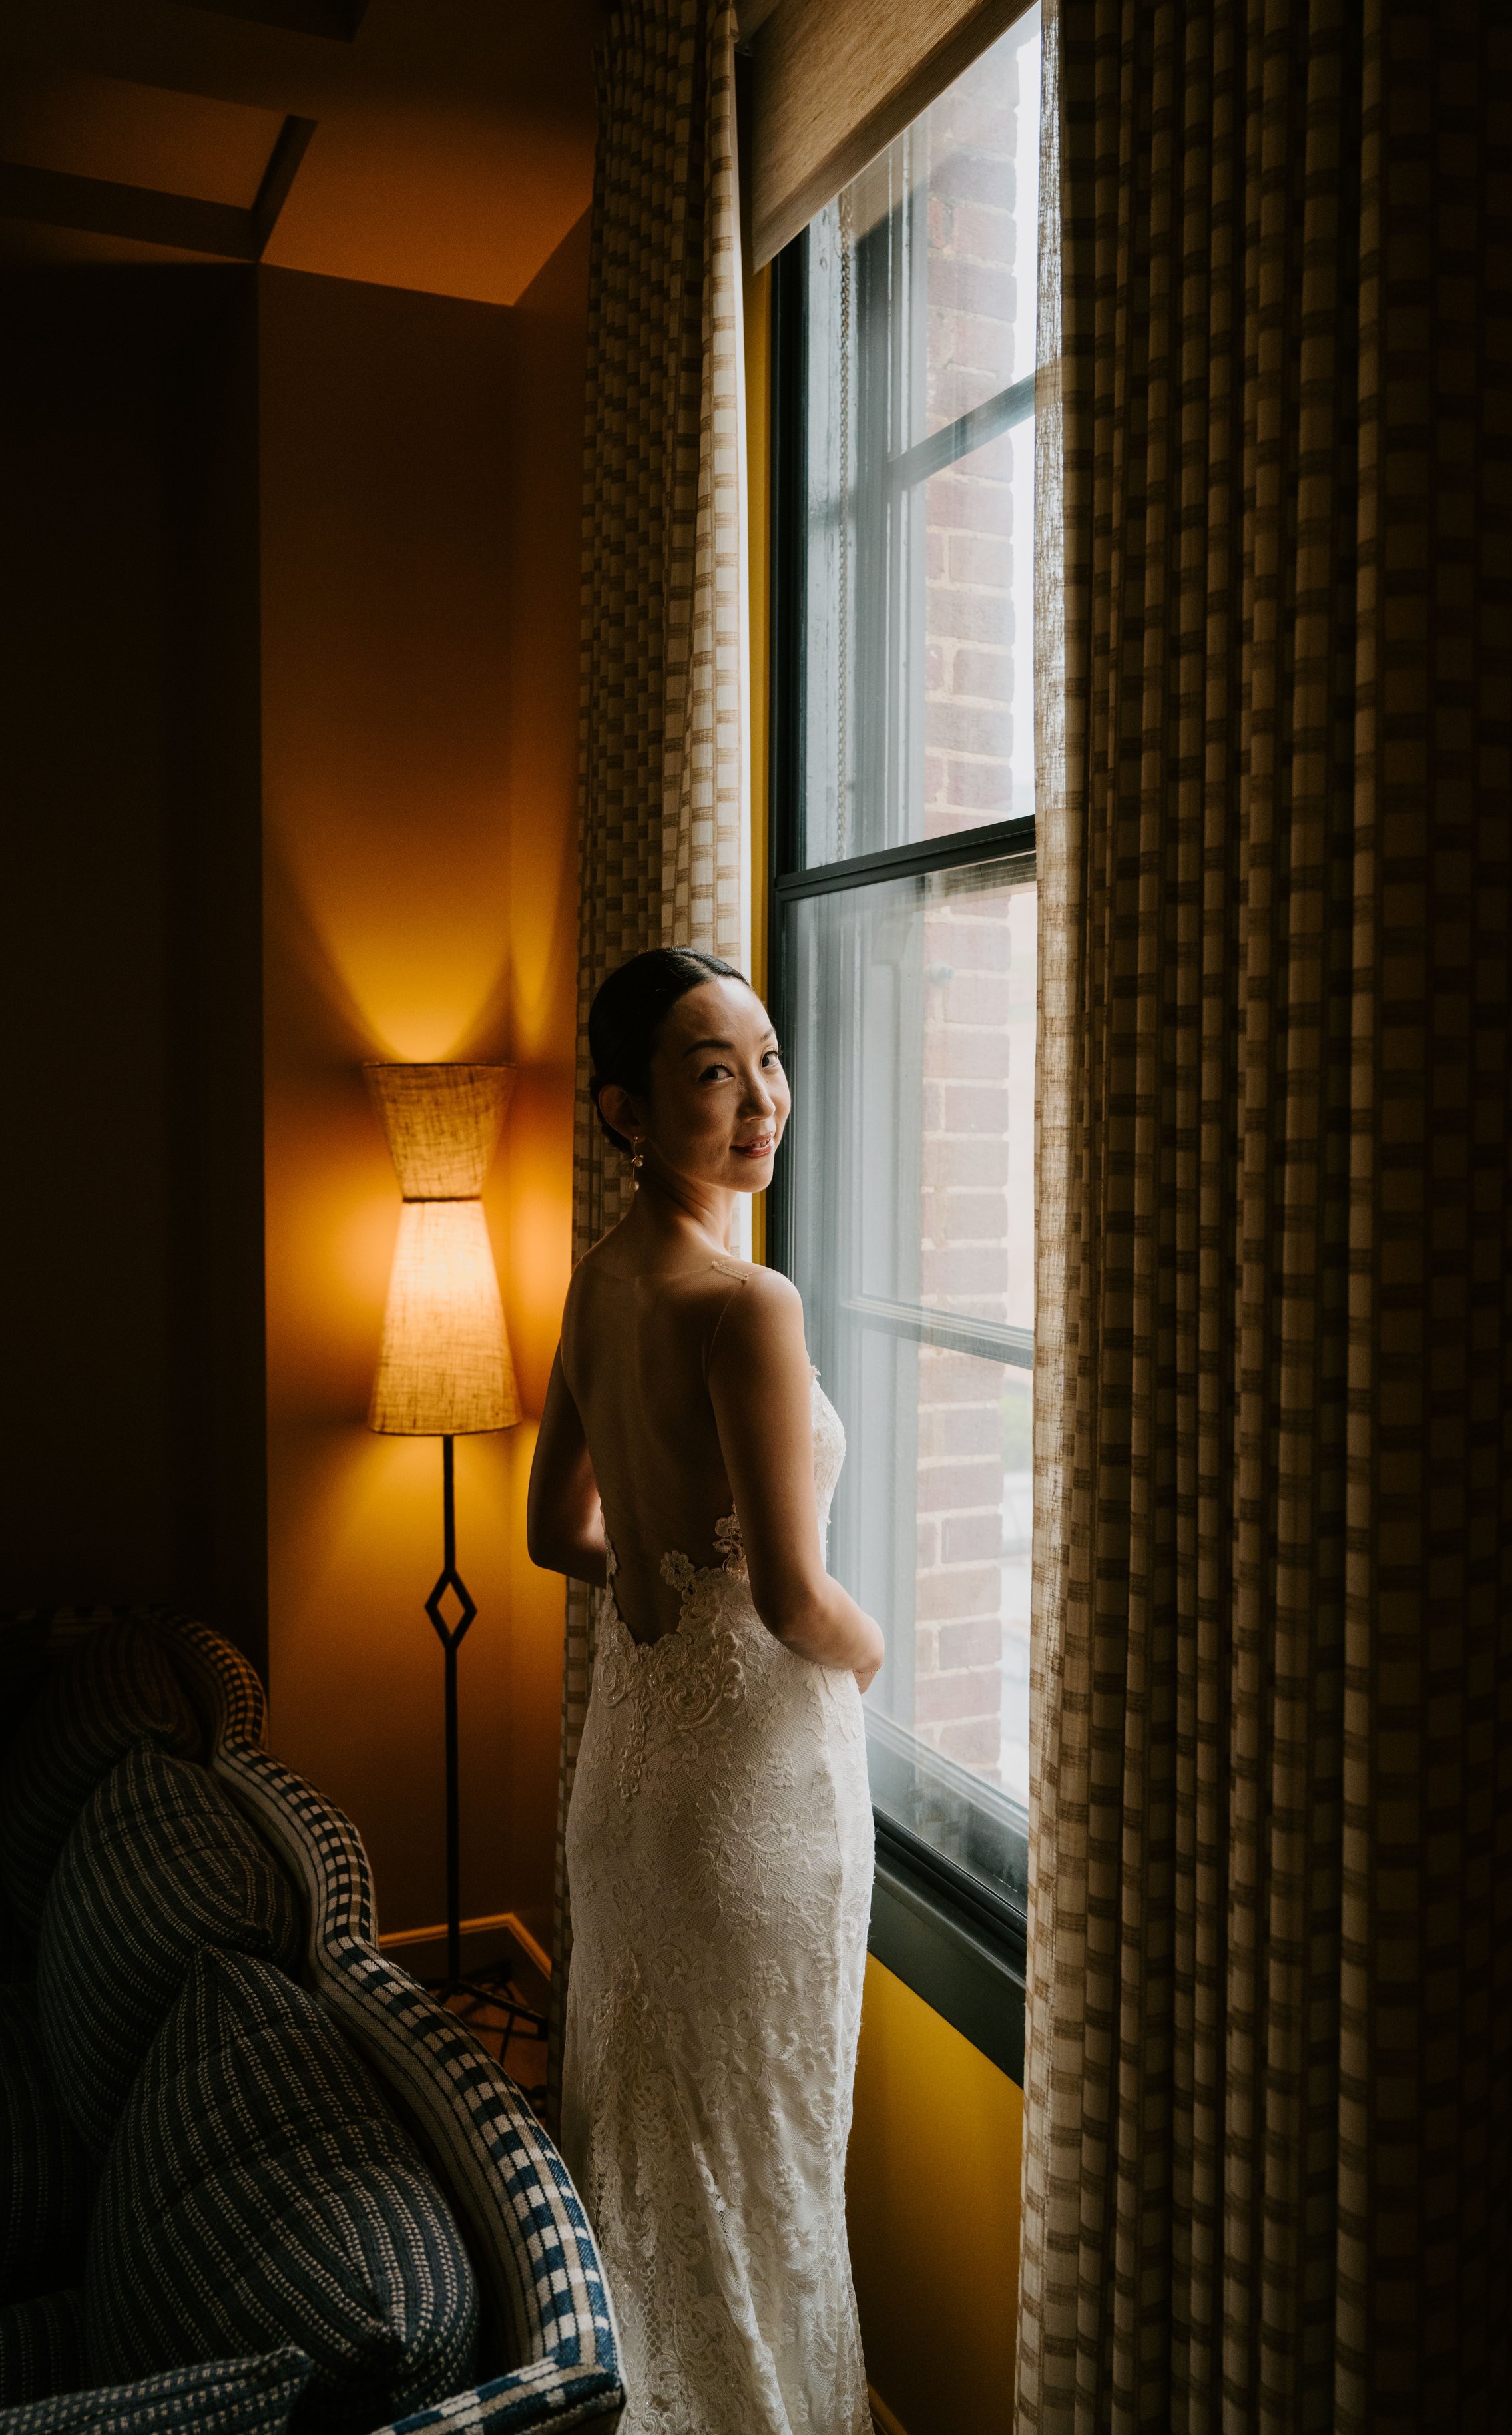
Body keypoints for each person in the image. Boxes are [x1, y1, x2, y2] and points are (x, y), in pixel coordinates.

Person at [527, 946, 885, 2435]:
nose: (761, 1101)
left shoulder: (599, 1277)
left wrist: (669, 1583)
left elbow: (557, 1531)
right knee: (762, 2153)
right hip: (747, 1804)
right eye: (709, 1072)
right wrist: (865, 1653)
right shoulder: (748, 1301)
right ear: (625, 1106)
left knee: (657, 2147)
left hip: (629, 1782)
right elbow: (802, 1602)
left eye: (769, 1058)